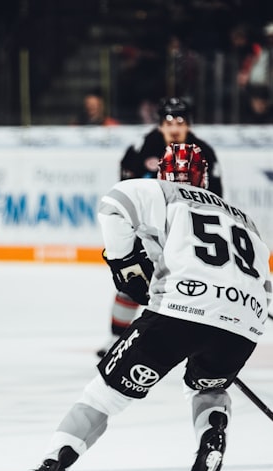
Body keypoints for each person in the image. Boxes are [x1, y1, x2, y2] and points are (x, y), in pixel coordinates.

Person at [12, 143, 273, 471]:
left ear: (162, 172)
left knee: (102, 397)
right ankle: (212, 436)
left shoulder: (162, 191)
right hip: (244, 323)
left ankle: (50, 467)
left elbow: (113, 204)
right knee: (207, 388)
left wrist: (123, 261)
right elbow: (265, 287)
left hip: (180, 312)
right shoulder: (245, 219)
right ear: (206, 177)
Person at [103, 97, 222, 356]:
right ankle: (115, 340)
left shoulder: (204, 153)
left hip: (189, 235)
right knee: (133, 282)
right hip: (148, 232)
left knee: (192, 289)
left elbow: (216, 201)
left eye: (180, 121)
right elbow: (126, 194)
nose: (175, 127)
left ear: (189, 124)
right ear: (159, 125)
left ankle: (194, 343)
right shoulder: (142, 147)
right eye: (169, 121)